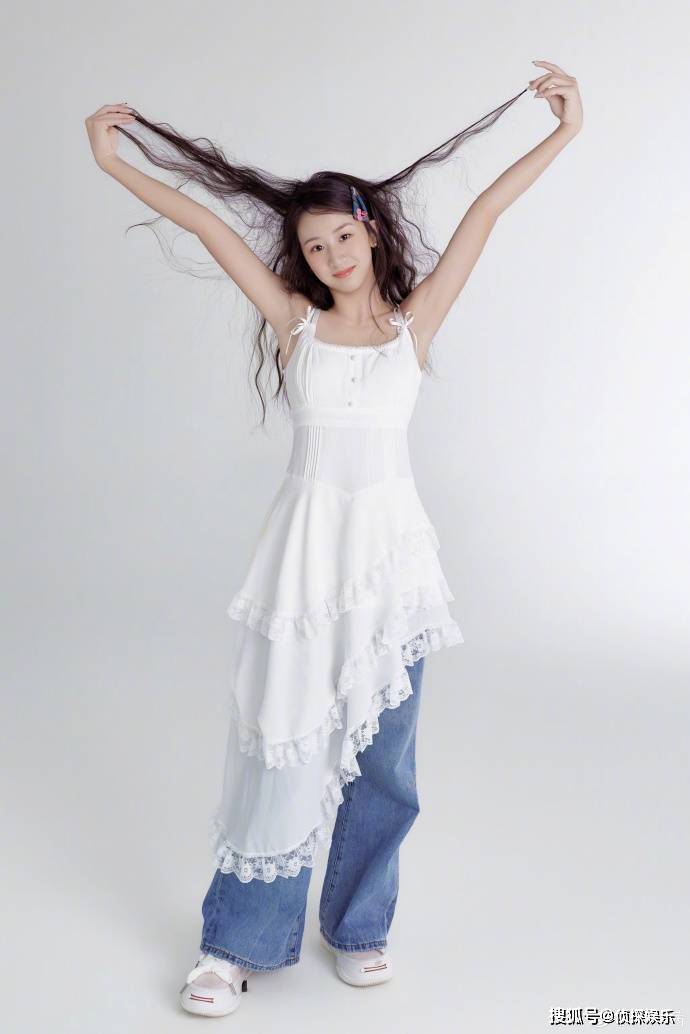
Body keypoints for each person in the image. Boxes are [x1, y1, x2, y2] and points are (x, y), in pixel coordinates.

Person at [84, 61, 583, 1017]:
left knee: (384, 759)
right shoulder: (295, 326)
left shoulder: (411, 325)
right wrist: (112, 163)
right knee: (280, 743)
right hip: (305, 563)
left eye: (343, 237)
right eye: (313, 247)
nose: (330, 256)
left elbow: (484, 213)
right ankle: (235, 943)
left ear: (371, 232)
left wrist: (563, 131)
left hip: (392, 566)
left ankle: (359, 928)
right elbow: (207, 225)